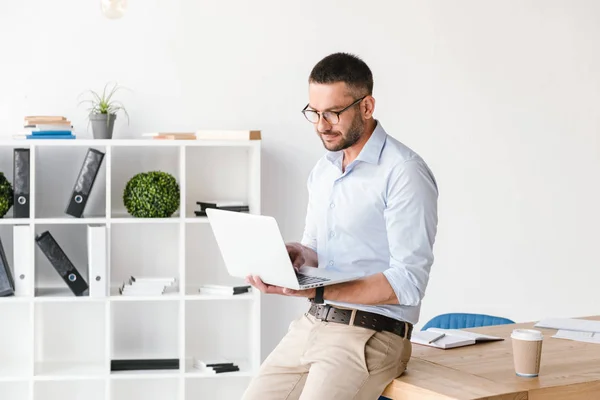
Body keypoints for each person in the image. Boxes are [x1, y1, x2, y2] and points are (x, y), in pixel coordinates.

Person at [243, 52, 439, 400]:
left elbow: (408, 283)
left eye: (332, 113)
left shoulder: (403, 171)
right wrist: (297, 256)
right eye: (314, 113)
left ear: (367, 106)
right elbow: (318, 251)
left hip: (370, 333)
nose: (321, 125)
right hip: (313, 324)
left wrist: (316, 292)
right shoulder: (324, 171)